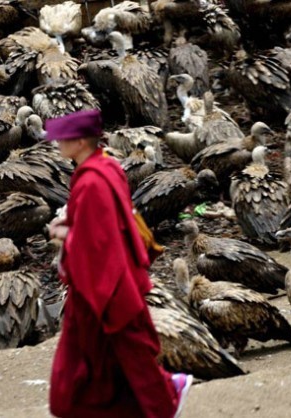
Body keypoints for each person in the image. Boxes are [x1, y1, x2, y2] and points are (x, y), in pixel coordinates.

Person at [46, 109, 192, 418]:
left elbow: (97, 244)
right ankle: (163, 394)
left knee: (84, 372)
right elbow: (104, 224)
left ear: (82, 140)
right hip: (120, 280)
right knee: (115, 363)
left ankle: (167, 397)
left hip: (103, 289)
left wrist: (65, 236)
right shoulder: (108, 168)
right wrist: (72, 225)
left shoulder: (90, 183)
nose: (57, 142)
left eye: (63, 137)